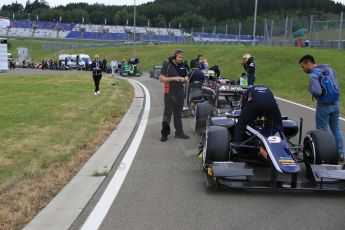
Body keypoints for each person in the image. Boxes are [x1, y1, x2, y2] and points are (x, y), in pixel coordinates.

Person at [299, 54, 344, 161]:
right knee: (336, 128)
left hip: (324, 106)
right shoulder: (329, 69)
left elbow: (318, 92)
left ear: (308, 63)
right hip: (335, 103)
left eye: (303, 67)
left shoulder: (313, 75)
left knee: (322, 132)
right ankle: (341, 153)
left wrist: (309, 88)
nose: (303, 69)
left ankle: (325, 155)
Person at [159, 49, 189, 142]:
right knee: (168, 114)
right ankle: (164, 134)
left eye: (182, 57)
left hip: (180, 92)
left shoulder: (183, 65)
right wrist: (174, 78)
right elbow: (161, 78)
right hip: (169, 93)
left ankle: (179, 133)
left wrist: (185, 79)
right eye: (179, 57)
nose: (181, 59)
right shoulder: (167, 65)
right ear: (174, 57)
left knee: (178, 114)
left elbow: (187, 76)